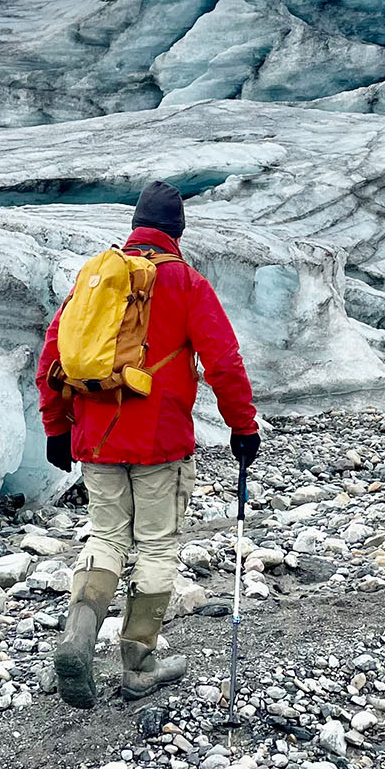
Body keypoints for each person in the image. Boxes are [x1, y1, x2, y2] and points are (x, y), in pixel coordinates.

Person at [37, 180, 259, 707]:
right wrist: (242, 425)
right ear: (178, 231)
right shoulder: (186, 283)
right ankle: (139, 666)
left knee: (106, 537)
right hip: (160, 441)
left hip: (96, 436)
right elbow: (222, 361)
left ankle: (79, 636)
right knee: (157, 545)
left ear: (135, 223)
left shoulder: (96, 278)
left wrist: (56, 427)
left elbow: (53, 357)